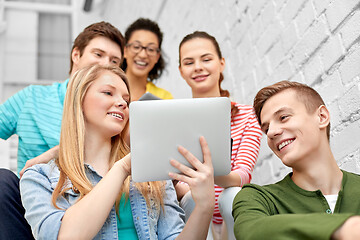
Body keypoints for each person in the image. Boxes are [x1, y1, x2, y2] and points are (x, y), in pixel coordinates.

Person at [20, 64, 215, 239]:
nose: (122, 103)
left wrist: (204, 207)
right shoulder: (39, 178)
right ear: (78, 99)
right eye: (108, 93)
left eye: (126, 99)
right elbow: (66, 236)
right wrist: (122, 168)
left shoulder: (154, 173)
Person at [0, 21, 125, 239]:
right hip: (36, 211)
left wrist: (57, 151)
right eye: (98, 54)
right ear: (76, 55)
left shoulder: (117, 112)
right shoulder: (32, 98)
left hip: (98, 207)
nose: (106, 64)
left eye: (115, 61)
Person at [232, 80, 360, 240]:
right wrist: (345, 228)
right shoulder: (259, 198)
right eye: (266, 129)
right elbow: (250, 231)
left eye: (283, 117)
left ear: (321, 117)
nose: (271, 132)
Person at [177, 31, 262, 240]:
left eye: (206, 59)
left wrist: (208, 172)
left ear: (221, 63)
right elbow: (176, 183)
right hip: (194, 214)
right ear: (180, 71)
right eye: (189, 62)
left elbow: (242, 176)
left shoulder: (247, 115)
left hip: (230, 216)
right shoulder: (176, 119)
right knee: (189, 198)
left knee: (232, 195)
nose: (198, 67)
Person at [121, 18, 173, 101]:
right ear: (125, 50)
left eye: (151, 49)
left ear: (157, 56)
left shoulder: (164, 98)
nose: (143, 55)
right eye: (136, 47)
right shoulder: (107, 86)